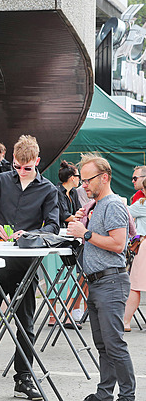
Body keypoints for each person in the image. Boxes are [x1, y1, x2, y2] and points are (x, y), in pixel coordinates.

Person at [0, 135, 59, 400]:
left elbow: (53, 225)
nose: (21, 171)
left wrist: (31, 235)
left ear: (37, 162)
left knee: (26, 323)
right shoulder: (1, 180)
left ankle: (24, 378)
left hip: (25, 263)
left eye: (27, 167)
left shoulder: (48, 189)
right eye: (17, 166)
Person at [67, 154, 135, 401]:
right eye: (82, 181)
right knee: (104, 346)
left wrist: (85, 234)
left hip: (110, 282)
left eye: (88, 180)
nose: (83, 185)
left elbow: (118, 244)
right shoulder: (98, 206)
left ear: (104, 177)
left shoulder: (113, 204)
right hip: (99, 282)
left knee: (114, 345)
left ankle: (127, 396)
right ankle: (105, 393)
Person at [49, 160, 83, 328]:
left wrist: (76, 216)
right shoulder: (56, 191)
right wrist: (76, 217)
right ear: (71, 177)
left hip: (70, 236)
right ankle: (53, 315)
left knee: (68, 276)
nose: (80, 180)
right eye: (78, 176)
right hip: (56, 237)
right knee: (54, 275)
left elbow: (78, 211)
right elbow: (63, 215)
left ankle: (66, 315)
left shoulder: (74, 193)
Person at [124, 177, 146, 332]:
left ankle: (125, 321)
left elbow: (124, 213)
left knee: (135, 285)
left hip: (144, 245)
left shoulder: (141, 204)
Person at [57, 160, 81, 227]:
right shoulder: (57, 192)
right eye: (78, 176)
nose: (79, 179)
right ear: (72, 178)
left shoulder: (74, 192)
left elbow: (79, 209)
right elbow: (64, 216)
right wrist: (81, 219)